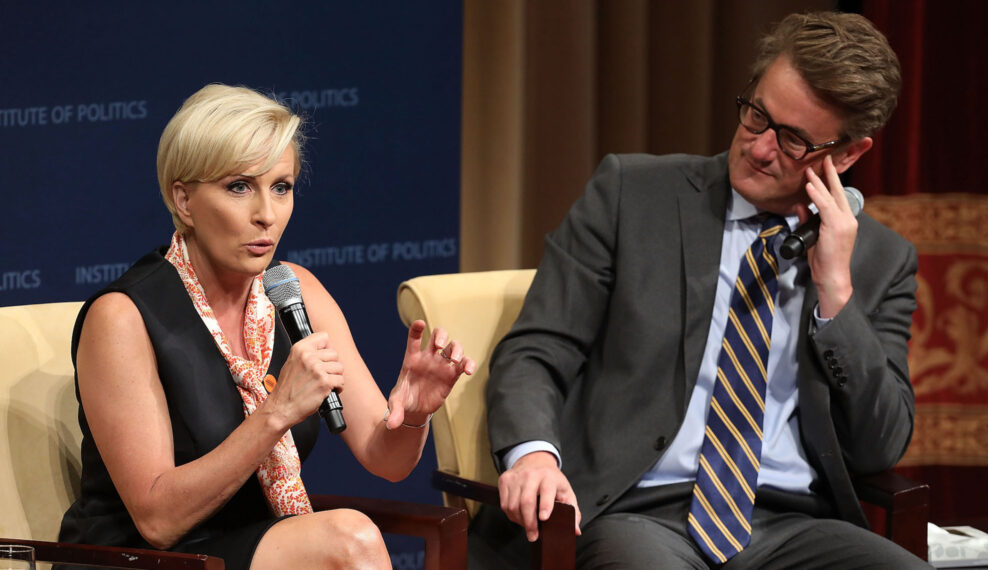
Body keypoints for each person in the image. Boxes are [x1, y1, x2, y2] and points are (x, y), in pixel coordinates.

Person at [476, 11, 930, 568]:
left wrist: (835, 295)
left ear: (848, 155)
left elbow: (879, 444)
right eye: (757, 115)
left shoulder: (881, 260)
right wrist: (534, 457)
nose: (761, 148)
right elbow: (536, 350)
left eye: (792, 141)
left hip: (790, 527)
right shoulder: (632, 196)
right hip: (634, 513)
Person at [58, 84, 476, 570]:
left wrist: (414, 414)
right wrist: (275, 413)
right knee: (350, 538)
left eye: (281, 187)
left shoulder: (295, 293)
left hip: (250, 546)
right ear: (184, 200)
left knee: (347, 538)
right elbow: (158, 520)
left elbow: (385, 459)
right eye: (239, 187)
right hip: (140, 559)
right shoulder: (124, 317)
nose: (267, 215)